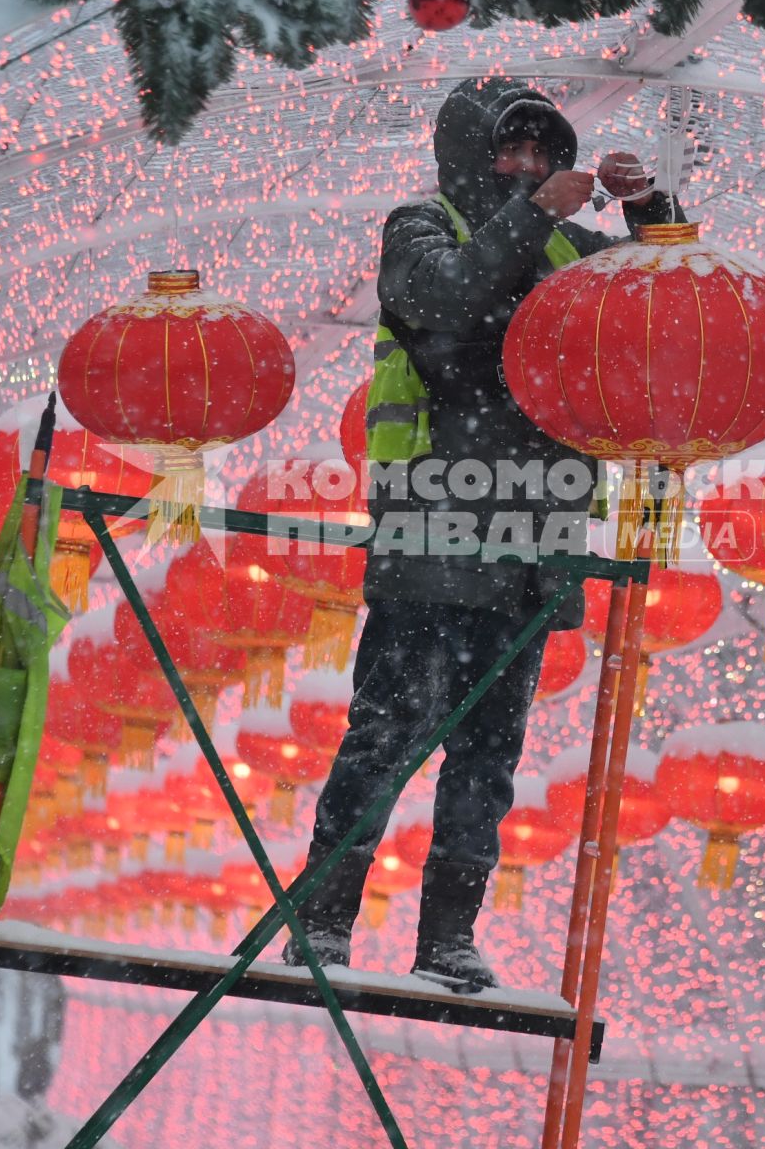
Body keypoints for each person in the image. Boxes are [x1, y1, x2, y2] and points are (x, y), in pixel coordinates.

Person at [285, 76, 678, 992]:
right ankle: (325, 921)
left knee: (489, 758)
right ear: (468, 151)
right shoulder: (421, 228)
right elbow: (446, 306)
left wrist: (651, 208)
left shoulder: (568, 248)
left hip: (532, 546)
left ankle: (449, 939)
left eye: (545, 152)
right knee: (386, 731)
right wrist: (529, 216)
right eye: (511, 149)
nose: (529, 168)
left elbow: (659, 306)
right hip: (432, 530)